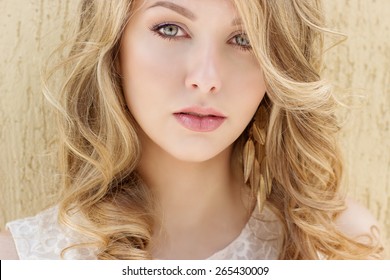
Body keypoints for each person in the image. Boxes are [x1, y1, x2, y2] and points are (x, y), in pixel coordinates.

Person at [0, 0, 384, 260]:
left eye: (244, 38)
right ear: (115, 48)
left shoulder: (341, 244)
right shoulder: (22, 258)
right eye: (170, 29)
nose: (206, 78)